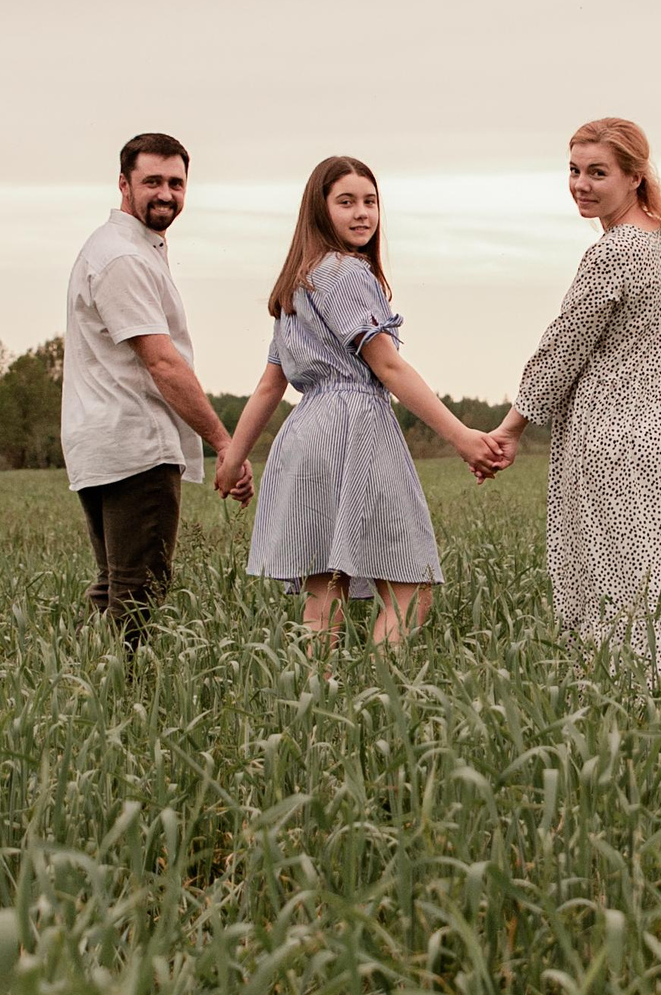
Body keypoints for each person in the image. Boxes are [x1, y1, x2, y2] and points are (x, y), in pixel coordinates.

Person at [220, 156, 503, 648]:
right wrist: (462, 437)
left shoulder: (299, 282)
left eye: (370, 202)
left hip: (306, 434)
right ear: (319, 210)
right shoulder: (345, 273)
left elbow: (271, 386)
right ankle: (377, 708)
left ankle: (312, 715)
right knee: (411, 589)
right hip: (354, 428)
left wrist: (233, 459)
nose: (361, 213)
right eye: (345, 202)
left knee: (324, 595)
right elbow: (388, 367)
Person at [484, 118, 661, 672]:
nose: (581, 185)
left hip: (622, 444)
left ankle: (628, 715)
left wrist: (510, 429)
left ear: (636, 177)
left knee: (621, 597)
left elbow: (564, 347)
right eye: (574, 170)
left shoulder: (614, 252)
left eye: (598, 172)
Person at [62, 133, 249, 649]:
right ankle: (129, 706)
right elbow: (163, 363)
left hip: (108, 442)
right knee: (139, 593)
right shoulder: (123, 258)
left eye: (176, 183)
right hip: (134, 445)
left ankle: (88, 697)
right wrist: (223, 441)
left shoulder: (128, 250)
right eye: (152, 182)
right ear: (124, 185)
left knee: (115, 588)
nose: (166, 193)